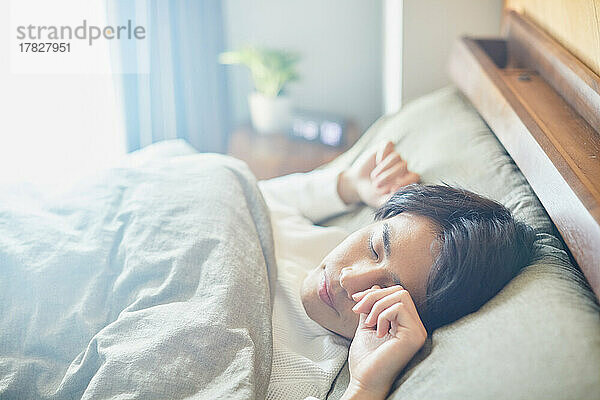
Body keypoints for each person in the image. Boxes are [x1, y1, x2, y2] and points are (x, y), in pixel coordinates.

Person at [258, 141, 535, 400]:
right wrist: (350, 184)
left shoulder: (303, 374)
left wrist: (364, 388)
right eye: (374, 246)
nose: (347, 279)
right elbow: (249, 192)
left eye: (382, 291)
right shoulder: (316, 237)